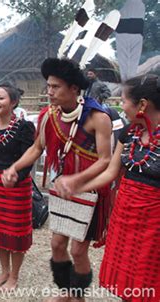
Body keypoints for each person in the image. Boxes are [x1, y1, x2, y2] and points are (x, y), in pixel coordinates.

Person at [2, 58, 112, 301]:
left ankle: (78, 296)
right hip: (63, 189)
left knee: (78, 250)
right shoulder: (48, 115)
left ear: (74, 89)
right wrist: (15, 167)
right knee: (57, 246)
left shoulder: (97, 117)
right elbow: (36, 147)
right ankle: (66, 292)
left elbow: (105, 160)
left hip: (91, 191)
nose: (49, 91)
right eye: (48, 86)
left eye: (55, 87)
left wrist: (77, 180)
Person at [62, 74, 160, 302]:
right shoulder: (130, 133)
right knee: (129, 278)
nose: (121, 106)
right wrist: (78, 184)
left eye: (124, 101)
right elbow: (110, 172)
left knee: (151, 278)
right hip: (125, 216)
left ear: (143, 104)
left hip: (154, 221)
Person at [0, 83, 35, 290]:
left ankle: (14, 276)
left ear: (13, 102)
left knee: (15, 232)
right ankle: (4, 271)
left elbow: (28, 159)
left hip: (16, 186)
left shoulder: (24, 127)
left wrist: (15, 177)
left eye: (1, 98)